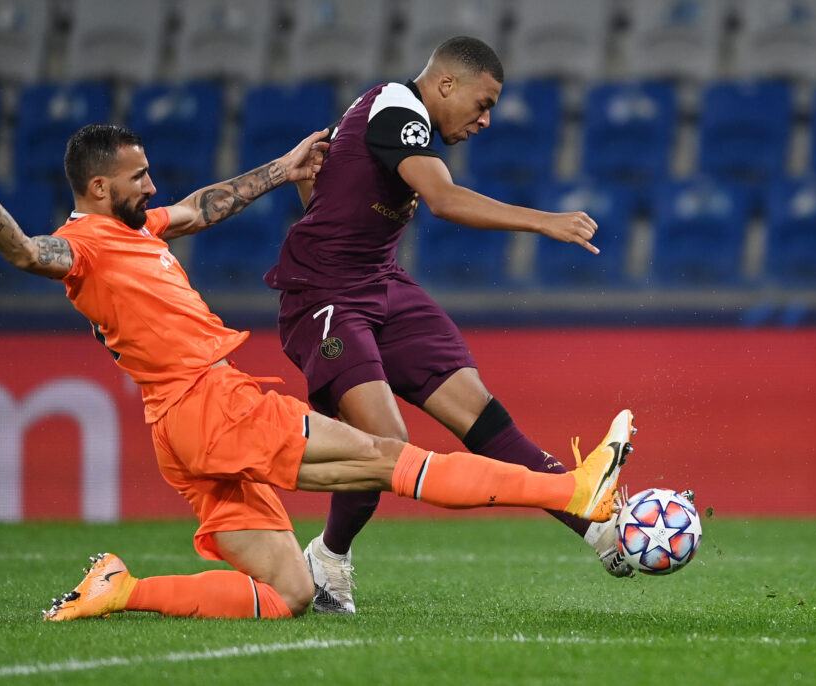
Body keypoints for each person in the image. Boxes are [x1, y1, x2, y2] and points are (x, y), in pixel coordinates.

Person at [0, 124, 635, 622]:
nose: (151, 187)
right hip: (209, 405)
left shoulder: (138, 228)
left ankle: (119, 590)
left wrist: (282, 171)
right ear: (97, 188)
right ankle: (569, 491)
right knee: (383, 456)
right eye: (137, 177)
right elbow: (28, 253)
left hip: (178, 428)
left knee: (287, 592)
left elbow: (199, 208)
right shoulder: (80, 245)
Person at [265, 36, 634, 614]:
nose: (486, 120)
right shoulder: (398, 111)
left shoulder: (386, 112)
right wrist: (545, 222)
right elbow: (443, 199)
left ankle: (593, 524)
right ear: (445, 84)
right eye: (482, 103)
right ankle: (327, 558)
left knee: (480, 414)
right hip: (325, 293)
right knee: (386, 446)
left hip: (381, 283)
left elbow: (323, 180)